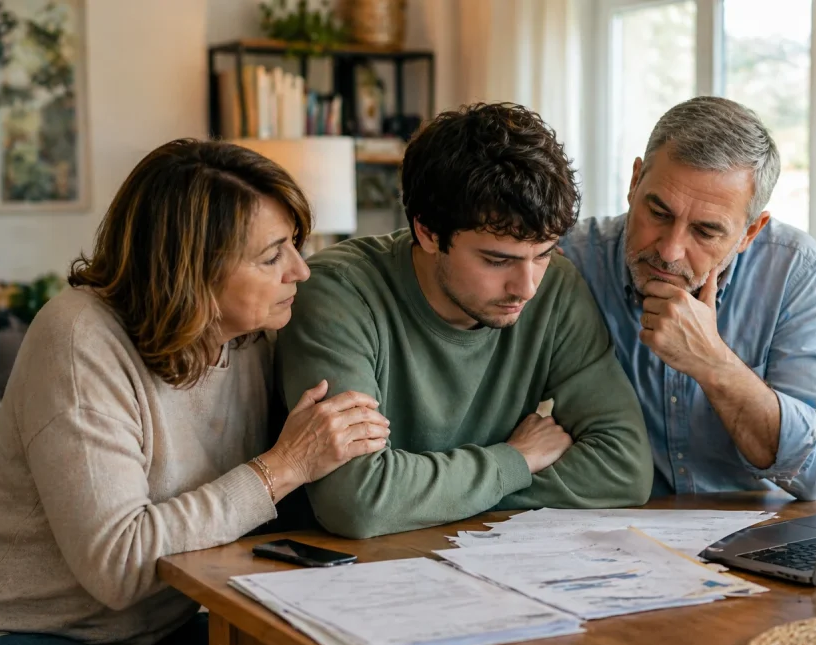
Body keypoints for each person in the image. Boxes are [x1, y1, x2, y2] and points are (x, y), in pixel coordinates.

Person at [0, 139, 389, 645]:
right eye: (272, 256)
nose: (301, 270)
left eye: (296, 245)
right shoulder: (78, 337)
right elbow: (120, 566)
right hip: (32, 630)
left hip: (165, 625)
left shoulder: (251, 337)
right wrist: (283, 468)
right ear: (190, 268)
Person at [276, 103, 653, 540]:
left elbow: (624, 468)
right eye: (497, 261)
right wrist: (515, 460)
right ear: (428, 233)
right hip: (331, 574)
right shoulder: (337, 294)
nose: (527, 288)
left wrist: (432, 497)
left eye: (544, 254)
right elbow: (358, 501)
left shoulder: (557, 291)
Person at [561, 96, 816, 502]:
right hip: (612, 530)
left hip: (752, 531)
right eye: (658, 213)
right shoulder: (570, 260)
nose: (670, 251)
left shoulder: (792, 270)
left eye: (706, 231)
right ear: (634, 182)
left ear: (751, 231)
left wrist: (713, 362)